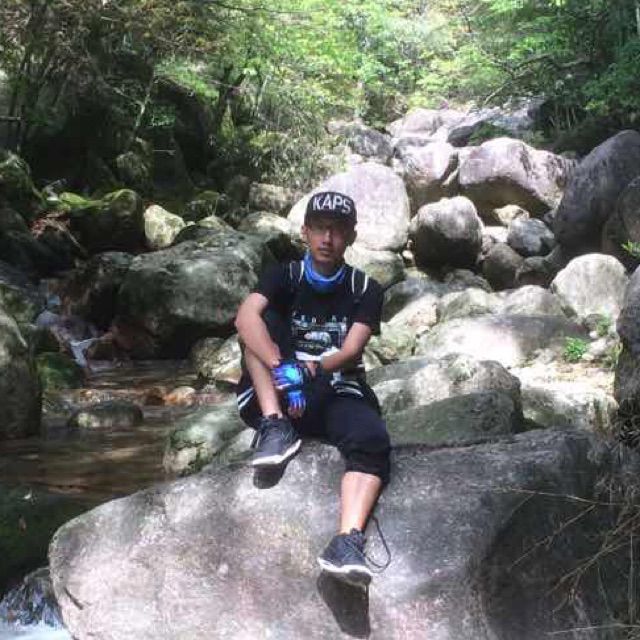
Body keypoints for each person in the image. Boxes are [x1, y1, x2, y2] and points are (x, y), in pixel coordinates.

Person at [234, 191, 391, 586]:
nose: (327, 238)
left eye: (337, 230)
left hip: (333, 388)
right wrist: (282, 369)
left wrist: (310, 370)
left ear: (351, 236)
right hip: (274, 390)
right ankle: (275, 427)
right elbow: (244, 318)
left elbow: (351, 350)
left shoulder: (365, 288)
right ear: (305, 232)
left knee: (372, 441)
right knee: (259, 326)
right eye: (320, 228)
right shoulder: (283, 275)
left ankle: (347, 541)